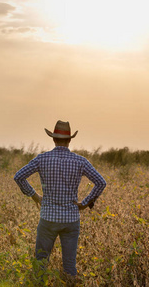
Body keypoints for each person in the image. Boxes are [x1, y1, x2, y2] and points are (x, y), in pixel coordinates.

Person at [14, 120, 107, 282]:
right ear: (70, 140)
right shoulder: (80, 161)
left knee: (41, 263)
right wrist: (85, 204)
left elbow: (18, 177)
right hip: (71, 220)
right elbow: (101, 182)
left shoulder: (42, 159)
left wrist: (35, 196)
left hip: (48, 218)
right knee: (70, 265)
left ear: (53, 139)